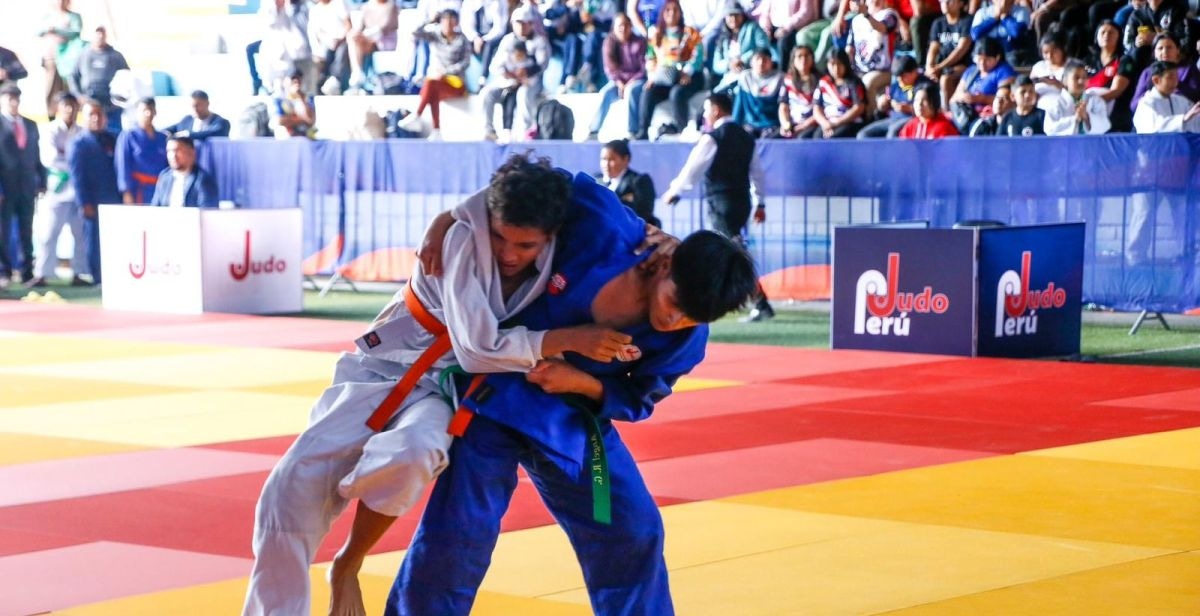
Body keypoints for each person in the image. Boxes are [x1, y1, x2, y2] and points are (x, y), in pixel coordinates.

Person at [240, 154, 642, 616]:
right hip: (389, 362)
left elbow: (581, 194)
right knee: (289, 491)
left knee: (414, 454)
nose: (509, 254)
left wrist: (664, 242)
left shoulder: (570, 233)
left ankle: (347, 563)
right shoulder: (462, 238)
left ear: (551, 236)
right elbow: (477, 348)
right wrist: (569, 339)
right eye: (499, 238)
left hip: (443, 386)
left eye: (526, 246)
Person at [386, 184, 757, 616]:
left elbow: (638, 397)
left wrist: (581, 383)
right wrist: (448, 218)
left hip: (574, 418)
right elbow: (531, 184)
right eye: (676, 302)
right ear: (666, 261)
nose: (675, 319)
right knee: (459, 533)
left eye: (692, 317)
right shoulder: (606, 227)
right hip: (496, 393)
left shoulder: (687, 341)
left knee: (634, 530)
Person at [662, 92, 776, 322]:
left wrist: (675, 190)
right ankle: (746, 300)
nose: (705, 115)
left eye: (706, 110)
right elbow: (758, 174)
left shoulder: (713, 137)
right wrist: (760, 202)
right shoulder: (746, 137)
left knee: (731, 253)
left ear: (716, 110)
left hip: (721, 204)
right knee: (733, 250)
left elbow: (693, 168)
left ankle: (760, 303)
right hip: (741, 203)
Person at [1128, 59, 1198, 266]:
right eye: (1171, 77)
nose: (1176, 81)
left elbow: (1194, 123)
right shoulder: (1146, 104)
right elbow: (1154, 127)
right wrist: (1184, 119)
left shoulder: (1180, 101)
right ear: (1156, 80)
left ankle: (1185, 255)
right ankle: (1135, 259)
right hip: (1149, 168)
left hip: (1176, 168)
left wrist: (1190, 118)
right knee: (1144, 215)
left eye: (1176, 76)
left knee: (1181, 213)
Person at [30, 92, 86, 288]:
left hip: (78, 190)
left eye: (73, 106)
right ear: (58, 109)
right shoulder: (50, 130)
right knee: (48, 233)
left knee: (80, 234)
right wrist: (73, 162)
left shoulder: (82, 131)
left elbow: (83, 159)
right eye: (66, 106)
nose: (70, 110)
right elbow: (50, 159)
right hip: (57, 189)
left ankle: (79, 273)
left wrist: (69, 159)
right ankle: (42, 273)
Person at [67, 98, 120, 285]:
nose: (96, 118)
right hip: (92, 201)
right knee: (94, 241)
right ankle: (97, 277)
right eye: (91, 114)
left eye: (99, 114)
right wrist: (84, 203)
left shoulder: (113, 138)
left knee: (115, 239)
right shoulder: (78, 143)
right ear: (84, 117)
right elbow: (77, 177)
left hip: (114, 198)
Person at [636, 0, 704, 140]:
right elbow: (650, 57)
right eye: (668, 10)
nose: (672, 13)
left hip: (690, 77)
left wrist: (687, 72)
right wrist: (652, 77)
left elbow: (698, 56)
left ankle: (681, 130)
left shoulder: (690, 33)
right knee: (648, 93)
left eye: (675, 10)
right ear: (662, 13)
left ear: (680, 13)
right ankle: (642, 131)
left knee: (677, 93)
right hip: (665, 77)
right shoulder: (656, 35)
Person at [0, 85, 46, 289]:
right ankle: (4, 271)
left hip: (27, 186)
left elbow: (36, 155)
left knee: (27, 230)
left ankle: (27, 271)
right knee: (3, 230)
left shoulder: (30, 124)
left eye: (16, 98)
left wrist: (41, 180)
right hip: (5, 187)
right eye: (9, 98)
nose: (14, 102)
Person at [482, 6, 550, 142]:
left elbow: (543, 64)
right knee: (487, 93)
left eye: (524, 23)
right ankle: (489, 131)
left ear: (531, 24)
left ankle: (527, 133)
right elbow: (494, 66)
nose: (521, 27)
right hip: (509, 81)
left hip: (530, 82)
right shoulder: (507, 40)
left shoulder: (539, 41)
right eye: (518, 23)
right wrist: (507, 73)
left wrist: (526, 72)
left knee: (523, 94)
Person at [408, 9, 472, 141]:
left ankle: (417, 116)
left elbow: (465, 62)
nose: (448, 24)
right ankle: (436, 131)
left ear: (457, 22)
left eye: (451, 20)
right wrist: (429, 21)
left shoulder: (462, 39)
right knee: (432, 87)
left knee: (431, 84)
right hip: (437, 81)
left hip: (455, 82)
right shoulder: (434, 35)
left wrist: (446, 72)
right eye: (445, 20)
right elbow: (414, 33)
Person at [588, 13, 648, 139]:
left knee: (631, 91)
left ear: (631, 26)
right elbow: (610, 69)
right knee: (606, 92)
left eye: (626, 25)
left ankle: (633, 131)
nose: (623, 29)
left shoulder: (640, 42)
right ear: (614, 28)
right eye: (620, 25)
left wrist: (630, 83)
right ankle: (594, 131)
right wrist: (620, 83)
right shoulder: (609, 42)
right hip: (618, 82)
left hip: (637, 80)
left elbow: (644, 69)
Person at [948, 36, 1016, 133]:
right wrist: (963, 97)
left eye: (987, 60)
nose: (982, 64)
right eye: (979, 60)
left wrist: (982, 98)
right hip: (966, 116)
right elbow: (954, 98)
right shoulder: (971, 71)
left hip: (989, 119)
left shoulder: (1004, 72)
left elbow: (1007, 101)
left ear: (997, 58)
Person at [845, 0, 900, 116]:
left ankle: (869, 119)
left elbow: (882, 28)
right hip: (859, 70)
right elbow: (849, 48)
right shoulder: (856, 20)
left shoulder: (890, 15)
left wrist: (866, 15)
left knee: (867, 82)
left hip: (884, 71)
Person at [69, 26, 129, 131]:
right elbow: (73, 77)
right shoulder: (83, 55)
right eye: (97, 33)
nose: (99, 36)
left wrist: (120, 98)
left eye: (102, 33)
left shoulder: (116, 56)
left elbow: (127, 77)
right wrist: (78, 96)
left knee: (113, 134)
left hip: (111, 105)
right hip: (89, 101)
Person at [858, 54, 932, 138]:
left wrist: (909, 108)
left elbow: (931, 110)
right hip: (893, 118)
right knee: (863, 134)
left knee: (893, 132)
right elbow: (886, 104)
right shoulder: (898, 84)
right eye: (898, 77)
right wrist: (883, 105)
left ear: (914, 72)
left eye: (903, 76)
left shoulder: (925, 86)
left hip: (913, 119)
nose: (900, 79)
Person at [1128, 33, 1200, 116]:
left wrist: (1175, 83)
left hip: (1184, 116)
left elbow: (1197, 97)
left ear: (1178, 50)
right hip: (1155, 117)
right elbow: (1133, 106)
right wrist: (1156, 92)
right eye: (1160, 48)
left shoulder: (1188, 69)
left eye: (1169, 47)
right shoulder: (1148, 72)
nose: (1165, 52)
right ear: (1154, 53)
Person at [925, 0, 973, 120]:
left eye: (950, 1)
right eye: (942, 1)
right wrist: (929, 67)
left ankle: (949, 115)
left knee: (946, 79)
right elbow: (933, 48)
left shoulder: (967, 21)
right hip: (942, 65)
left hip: (964, 65)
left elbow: (961, 49)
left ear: (961, 3)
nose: (945, 4)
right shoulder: (938, 23)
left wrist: (939, 67)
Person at [720, 47, 785, 136]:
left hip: (772, 124)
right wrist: (734, 127)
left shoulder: (780, 78)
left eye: (765, 59)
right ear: (751, 62)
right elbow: (739, 106)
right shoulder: (745, 77)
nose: (761, 63)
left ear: (771, 62)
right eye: (758, 59)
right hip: (750, 124)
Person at [114, 97, 167, 205]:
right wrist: (126, 192)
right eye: (144, 110)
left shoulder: (163, 137)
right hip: (138, 188)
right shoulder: (128, 136)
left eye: (151, 110)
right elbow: (122, 165)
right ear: (137, 113)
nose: (148, 113)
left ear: (155, 112)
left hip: (160, 188)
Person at [38, 0, 84, 121]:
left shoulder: (73, 17)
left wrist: (57, 30)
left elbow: (76, 32)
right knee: (52, 86)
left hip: (69, 58)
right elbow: (38, 31)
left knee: (71, 85)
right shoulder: (48, 17)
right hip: (51, 57)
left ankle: (73, 114)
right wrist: (47, 29)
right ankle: (51, 115)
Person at [1086, 19, 1135, 132]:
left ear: (1119, 37)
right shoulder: (1088, 60)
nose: (1106, 35)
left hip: (1115, 114)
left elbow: (1116, 91)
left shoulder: (1124, 61)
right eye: (1102, 32)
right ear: (1096, 36)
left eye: (1111, 32)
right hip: (1088, 112)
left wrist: (1091, 104)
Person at [597, 138, 659, 227]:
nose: (606, 164)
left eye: (611, 159)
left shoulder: (640, 181)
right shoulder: (596, 180)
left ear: (626, 159)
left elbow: (644, 214)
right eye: (603, 159)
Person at [712, 4, 773, 92]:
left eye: (736, 15)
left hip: (751, 74)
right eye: (730, 15)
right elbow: (716, 65)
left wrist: (742, 60)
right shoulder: (722, 38)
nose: (733, 19)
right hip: (729, 78)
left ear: (742, 15)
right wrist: (729, 64)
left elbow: (764, 47)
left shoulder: (753, 27)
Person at [1044, 59, 1110, 135]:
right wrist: (1074, 119)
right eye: (1076, 77)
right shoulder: (1055, 102)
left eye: (1084, 77)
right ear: (1065, 81)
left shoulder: (1095, 99)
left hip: (1091, 144)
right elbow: (1049, 129)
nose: (1081, 81)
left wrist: (1087, 117)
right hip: (1065, 145)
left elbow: (1106, 125)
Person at [149, 137, 218, 208]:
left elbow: (207, 213)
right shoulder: (165, 176)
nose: (173, 156)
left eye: (177, 151)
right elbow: (155, 207)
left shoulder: (203, 180)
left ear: (191, 153)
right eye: (169, 151)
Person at [813, 48, 867, 137]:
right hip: (829, 122)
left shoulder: (854, 82)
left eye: (840, 64)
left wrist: (838, 122)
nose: (836, 68)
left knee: (834, 137)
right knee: (817, 136)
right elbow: (817, 108)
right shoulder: (823, 83)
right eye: (832, 64)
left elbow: (859, 107)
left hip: (850, 122)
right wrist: (825, 123)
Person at [349, 0, 400, 91]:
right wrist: (359, 34)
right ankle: (357, 73)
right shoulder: (366, 7)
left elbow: (386, 27)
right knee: (352, 37)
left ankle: (358, 75)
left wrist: (366, 35)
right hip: (367, 40)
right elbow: (361, 27)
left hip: (385, 41)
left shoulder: (392, 6)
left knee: (358, 42)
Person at [756, 0, 820, 72]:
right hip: (774, 27)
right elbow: (765, 13)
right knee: (763, 41)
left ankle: (782, 74)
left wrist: (786, 28)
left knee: (784, 42)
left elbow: (806, 12)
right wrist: (767, 28)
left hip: (796, 26)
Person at [461, 0, 509, 87]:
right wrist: (475, 38)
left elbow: (500, 27)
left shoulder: (500, 2)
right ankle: (464, 80)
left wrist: (484, 39)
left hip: (494, 36)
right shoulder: (469, 3)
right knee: (462, 42)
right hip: (475, 36)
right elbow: (466, 25)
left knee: (489, 46)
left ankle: (483, 77)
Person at [307, 0, 352, 94]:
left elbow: (348, 25)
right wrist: (328, 41)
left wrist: (340, 40)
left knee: (341, 51)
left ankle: (335, 80)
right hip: (327, 44)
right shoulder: (314, 11)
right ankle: (322, 82)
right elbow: (317, 33)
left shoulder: (339, 3)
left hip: (343, 41)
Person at [778, 44, 822, 138]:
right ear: (793, 60)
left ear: (812, 59)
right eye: (799, 56)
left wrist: (802, 127)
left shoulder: (821, 81)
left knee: (802, 137)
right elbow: (783, 107)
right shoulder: (788, 81)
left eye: (806, 56)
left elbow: (821, 110)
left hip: (813, 124)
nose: (803, 59)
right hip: (793, 124)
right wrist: (785, 124)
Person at [164, 90, 232, 142]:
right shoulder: (187, 120)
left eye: (199, 105)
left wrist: (187, 135)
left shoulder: (221, 123)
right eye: (193, 106)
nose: (196, 109)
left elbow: (213, 134)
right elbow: (169, 130)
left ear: (207, 104)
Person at [1028, 31, 1070, 112]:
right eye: (1046, 53)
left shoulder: (1071, 67)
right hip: (1038, 109)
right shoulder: (1038, 66)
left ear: (1062, 50)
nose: (1049, 56)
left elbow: (1079, 93)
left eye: (1054, 52)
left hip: (1063, 108)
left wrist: (1056, 84)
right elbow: (1028, 87)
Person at [272, 69, 316, 138]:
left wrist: (301, 98)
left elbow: (311, 120)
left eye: (299, 79)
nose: (296, 82)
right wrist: (303, 119)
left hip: (305, 138)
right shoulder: (279, 99)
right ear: (285, 81)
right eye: (293, 79)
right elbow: (280, 121)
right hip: (286, 139)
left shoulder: (308, 98)